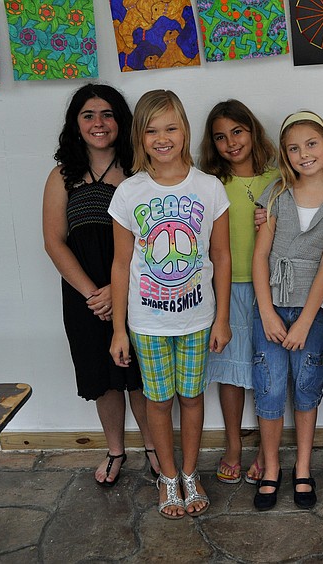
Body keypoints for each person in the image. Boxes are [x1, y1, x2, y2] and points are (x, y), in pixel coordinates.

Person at [108, 90, 232, 519]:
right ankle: (167, 476)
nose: (162, 138)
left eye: (171, 128)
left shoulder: (208, 187)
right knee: (158, 402)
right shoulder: (129, 192)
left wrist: (222, 318)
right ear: (139, 137)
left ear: (185, 131)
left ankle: (190, 473)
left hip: (198, 318)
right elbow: (121, 264)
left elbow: (221, 256)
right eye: (151, 130)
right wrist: (119, 329)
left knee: (192, 397)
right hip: (147, 322)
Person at [43, 83, 160, 487]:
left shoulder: (142, 171)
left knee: (141, 375)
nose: (99, 123)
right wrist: (94, 294)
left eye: (107, 114)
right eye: (88, 115)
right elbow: (54, 241)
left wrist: (118, 289)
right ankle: (115, 450)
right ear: (75, 123)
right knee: (102, 377)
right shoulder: (61, 177)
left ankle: (155, 448)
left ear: (121, 120)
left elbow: (155, 238)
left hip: (138, 288)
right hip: (85, 297)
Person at [251, 110, 323, 511]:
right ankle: (271, 467)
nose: (303, 154)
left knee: (307, 387)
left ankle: (302, 467)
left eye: (311, 144)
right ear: (285, 154)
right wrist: (266, 312)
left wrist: (306, 321)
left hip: (314, 312)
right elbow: (260, 256)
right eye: (293, 148)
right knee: (269, 387)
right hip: (271, 308)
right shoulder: (276, 194)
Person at [199, 100, 279, 486]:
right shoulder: (209, 184)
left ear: (253, 131)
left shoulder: (279, 178)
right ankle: (233, 445)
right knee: (229, 372)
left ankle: (266, 450)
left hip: (271, 288)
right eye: (220, 137)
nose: (231, 143)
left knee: (268, 371)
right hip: (225, 288)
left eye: (237, 132)